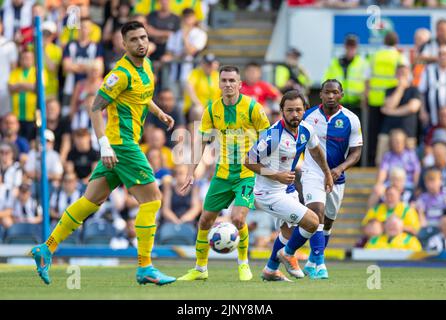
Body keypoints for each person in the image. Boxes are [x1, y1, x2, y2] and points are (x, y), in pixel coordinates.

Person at [30, 21, 176, 286]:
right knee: (152, 200)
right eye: (134, 40)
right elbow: (95, 108)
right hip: (121, 145)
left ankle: (46, 248)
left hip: (122, 144)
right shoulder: (119, 73)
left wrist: (158, 113)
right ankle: (145, 267)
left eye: (143, 37)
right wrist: (104, 145)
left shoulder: (147, 66)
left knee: (90, 201)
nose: (141, 43)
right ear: (124, 44)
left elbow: (141, 97)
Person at [178, 65, 270, 281]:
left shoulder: (252, 108)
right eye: (224, 80)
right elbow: (201, 141)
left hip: (246, 174)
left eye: (232, 81)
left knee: (238, 218)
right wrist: (191, 171)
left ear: (239, 84)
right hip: (222, 173)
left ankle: (243, 264)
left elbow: (268, 136)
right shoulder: (211, 109)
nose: (228, 84)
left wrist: (263, 162)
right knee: (205, 221)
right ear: (219, 84)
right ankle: (200, 269)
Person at [244, 90, 333, 281]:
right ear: (282, 111)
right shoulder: (273, 136)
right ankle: (288, 253)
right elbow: (248, 161)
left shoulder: (306, 129)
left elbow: (316, 151)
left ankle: (270, 270)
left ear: (305, 110)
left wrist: (327, 173)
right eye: (290, 110)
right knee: (312, 221)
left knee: (288, 230)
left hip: (287, 190)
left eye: (298, 110)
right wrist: (276, 175)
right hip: (267, 192)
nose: (294, 114)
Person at [301, 79, 363, 279]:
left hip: (337, 175)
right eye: (327, 92)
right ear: (320, 94)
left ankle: (312, 261)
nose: (330, 96)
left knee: (327, 222)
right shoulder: (308, 116)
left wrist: (340, 168)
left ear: (341, 95)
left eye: (334, 92)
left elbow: (356, 152)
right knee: (316, 212)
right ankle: (320, 263)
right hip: (313, 172)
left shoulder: (351, 119)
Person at [365, 31, 406, 166]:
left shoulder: (375, 56)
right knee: (389, 132)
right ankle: (389, 161)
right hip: (392, 101)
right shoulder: (400, 57)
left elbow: (367, 78)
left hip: (375, 99)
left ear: (384, 42)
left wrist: (366, 96)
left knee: (373, 133)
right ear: (396, 42)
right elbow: (405, 78)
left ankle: (372, 161)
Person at [379, 65, 422, 154]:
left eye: (404, 73)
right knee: (381, 159)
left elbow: (412, 108)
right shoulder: (389, 90)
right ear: (395, 75)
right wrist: (400, 88)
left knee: (409, 163)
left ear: (409, 75)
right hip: (388, 131)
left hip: (408, 132)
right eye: (399, 73)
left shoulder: (414, 90)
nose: (402, 76)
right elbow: (390, 105)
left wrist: (390, 112)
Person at [323, 35, 366, 120]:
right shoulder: (335, 63)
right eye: (348, 46)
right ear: (345, 46)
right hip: (338, 104)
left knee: (355, 131)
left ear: (356, 47)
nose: (350, 49)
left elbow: (368, 82)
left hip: (356, 104)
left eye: (353, 46)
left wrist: (365, 97)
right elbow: (326, 82)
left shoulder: (362, 63)